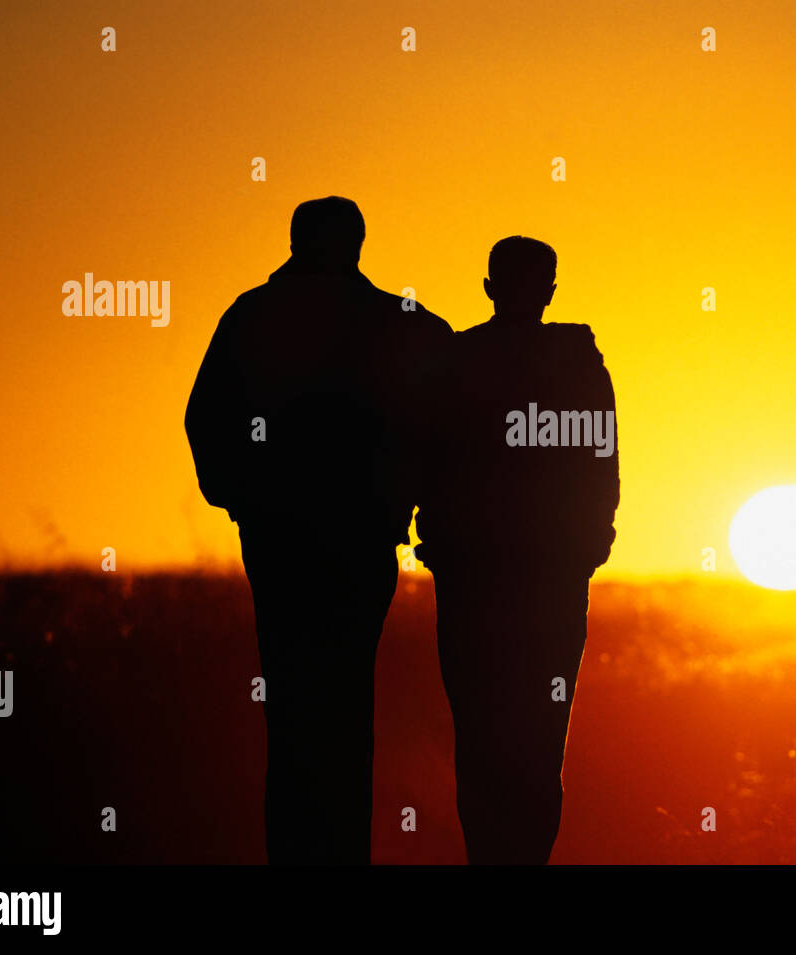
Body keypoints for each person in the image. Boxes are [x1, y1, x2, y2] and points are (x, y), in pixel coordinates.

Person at [184, 197, 451, 864]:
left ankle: (296, 852)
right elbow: (448, 405)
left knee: (294, 706)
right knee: (345, 707)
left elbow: (205, 417)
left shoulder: (252, 316)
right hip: (359, 543)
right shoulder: (399, 323)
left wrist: (243, 496)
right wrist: (413, 500)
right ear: (357, 244)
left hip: (280, 544)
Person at [416, 236, 619, 864]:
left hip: (477, 583)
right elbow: (601, 470)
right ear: (551, 290)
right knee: (538, 741)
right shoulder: (581, 367)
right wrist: (584, 547)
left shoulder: (456, 362)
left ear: (488, 288)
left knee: (480, 738)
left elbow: (426, 462)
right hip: (548, 585)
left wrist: (440, 545)